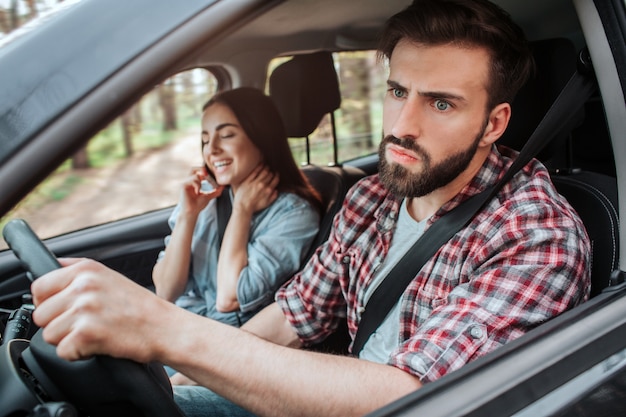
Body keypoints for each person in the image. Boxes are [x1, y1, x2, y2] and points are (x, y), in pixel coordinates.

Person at [30, 1, 591, 416]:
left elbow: (410, 398)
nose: (401, 127)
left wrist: (166, 331)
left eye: (441, 103)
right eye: (398, 92)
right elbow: (293, 319)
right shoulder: (373, 197)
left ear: (494, 123)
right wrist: (172, 379)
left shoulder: (536, 236)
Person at [152, 87, 322, 329]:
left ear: (261, 138)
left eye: (227, 135)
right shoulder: (206, 198)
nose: (211, 150)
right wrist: (187, 217)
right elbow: (165, 291)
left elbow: (228, 299)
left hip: (225, 343)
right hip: (179, 328)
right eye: (205, 140)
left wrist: (242, 210)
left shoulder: (295, 214)